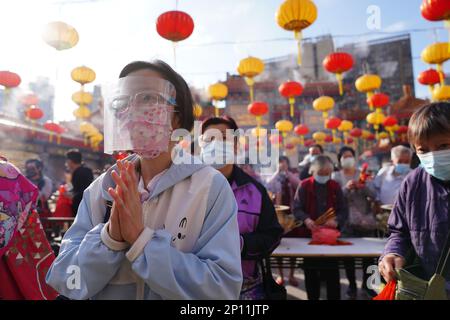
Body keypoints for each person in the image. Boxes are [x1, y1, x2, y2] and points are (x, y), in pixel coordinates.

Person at [46, 60, 243, 300]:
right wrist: (110, 239)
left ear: (177, 118)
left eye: (148, 98)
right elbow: (66, 279)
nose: (134, 110)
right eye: (124, 102)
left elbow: (222, 289)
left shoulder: (209, 187)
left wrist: (142, 242)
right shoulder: (104, 187)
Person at [200, 116, 283, 300]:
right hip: (196, 287)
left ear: (236, 146)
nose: (216, 145)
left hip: (246, 289)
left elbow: (272, 235)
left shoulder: (255, 191)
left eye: (223, 138)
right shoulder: (186, 188)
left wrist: (241, 244)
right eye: (209, 140)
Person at [379, 102, 450, 296]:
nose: (434, 156)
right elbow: (398, 232)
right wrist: (393, 253)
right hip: (427, 288)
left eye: (443, 146)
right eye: (423, 150)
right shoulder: (413, 182)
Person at [0, 157, 58, 300]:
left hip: (18, 226)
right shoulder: (8, 169)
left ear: (39, 168)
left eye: (33, 168)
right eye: (28, 167)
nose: (30, 170)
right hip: (19, 228)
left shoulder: (45, 181)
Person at [293, 155, 348, 300]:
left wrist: (336, 220)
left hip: (330, 236)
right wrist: (306, 219)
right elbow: (296, 208)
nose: (324, 177)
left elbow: (343, 210)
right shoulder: (304, 185)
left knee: (332, 272)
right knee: (310, 272)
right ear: (313, 171)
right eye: (321, 173)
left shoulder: (334, 186)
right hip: (309, 236)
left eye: (327, 174)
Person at [332, 146, 377, 299]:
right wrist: (346, 188)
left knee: (369, 257)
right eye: (345, 156)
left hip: (365, 220)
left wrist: (363, 187)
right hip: (346, 222)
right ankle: (352, 285)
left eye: (350, 155)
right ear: (340, 160)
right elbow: (334, 197)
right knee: (348, 256)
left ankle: (368, 285)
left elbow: (374, 194)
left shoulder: (363, 174)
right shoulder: (336, 176)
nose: (348, 159)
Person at [266, 156, 301, 286]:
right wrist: (277, 172)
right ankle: (280, 275)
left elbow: (299, 184)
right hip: (277, 214)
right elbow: (268, 185)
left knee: (293, 246)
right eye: (279, 163)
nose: (281, 165)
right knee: (278, 246)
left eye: (284, 162)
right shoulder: (273, 176)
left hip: (291, 215)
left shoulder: (293, 174)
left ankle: (292, 274)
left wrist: (287, 173)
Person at [65, 149, 94, 216]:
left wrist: (72, 196)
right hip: (87, 205)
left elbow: (83, 190)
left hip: (81, 207)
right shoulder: (87, 170)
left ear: (70, 161)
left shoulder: (79, 172)